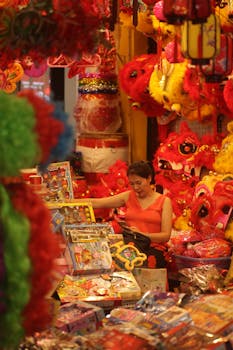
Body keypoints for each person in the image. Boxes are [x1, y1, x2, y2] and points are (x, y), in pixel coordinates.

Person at [83, 160, 173, 268]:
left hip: (153, 248)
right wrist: (66, 202)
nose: (135, 188)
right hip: (130, 246)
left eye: (139, 183)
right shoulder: (128, 196)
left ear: (149, 178)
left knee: (140, 262)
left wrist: (142, 235)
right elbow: (98, 203)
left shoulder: (164, 201)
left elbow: (165, 236)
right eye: (132, 184)